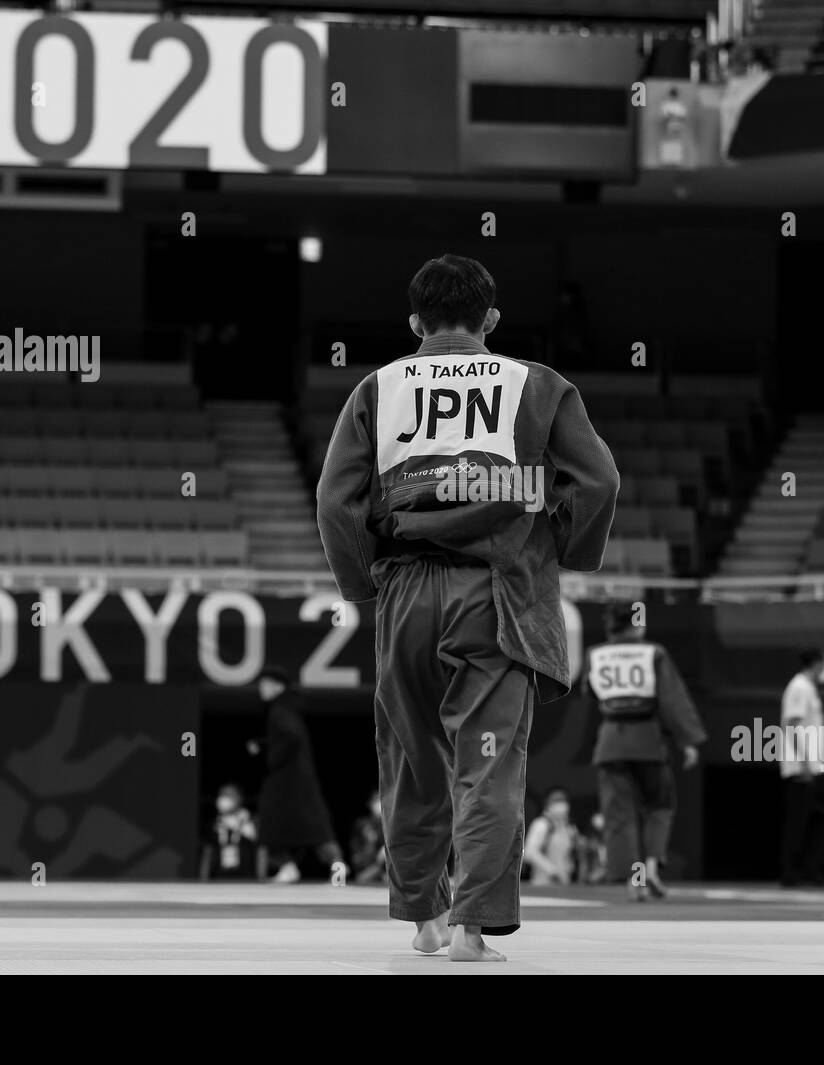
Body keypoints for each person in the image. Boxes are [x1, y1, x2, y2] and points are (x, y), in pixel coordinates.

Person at [316, 253, 619, 962]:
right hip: (497, 591)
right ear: (491, 319)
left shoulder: (378, 386)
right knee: (486, 763)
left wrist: (362, 584)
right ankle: (470, 929)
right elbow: (599, 480)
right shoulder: (536, 383)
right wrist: (567, 548)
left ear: (415, 321)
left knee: (412, 758)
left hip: (405, 590)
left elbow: (335, 502)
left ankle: (422, 917)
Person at [585, 601, 705, 900]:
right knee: (659, 805)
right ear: (636, 623)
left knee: (620, 815)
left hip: (611, 740)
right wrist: (687, 740)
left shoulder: (595, 654)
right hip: (648, 740)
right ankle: (650, 867)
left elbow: (590, 692)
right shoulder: (653, 652)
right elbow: (672, 699)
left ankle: (635, 879)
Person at [247, 669, 345, 883]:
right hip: (295, 783)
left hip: (290, 783)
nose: (261, 689)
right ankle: (327, 873)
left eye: (265, 684)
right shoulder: (286, 709)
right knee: (314, 833)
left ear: (278, 687)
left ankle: (335, 872)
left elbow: (291, 736)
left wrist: (272, 757)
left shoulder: (279, 711)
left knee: (277, 828)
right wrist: (265, 745)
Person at [779, 648, 824, 887]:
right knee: (798, 820)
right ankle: (791, 872)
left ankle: (809, 868)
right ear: (816, 663)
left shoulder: (808, 688)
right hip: (801, 765)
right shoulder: (799, 687)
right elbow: (791, 723)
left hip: (814, 764)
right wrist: (802, 762)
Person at [199, 784, 259, 881]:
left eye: (229, 794)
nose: (224, 798)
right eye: (222, 794)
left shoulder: (249, 821)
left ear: (240, 798)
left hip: (246, 879)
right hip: (219, 878)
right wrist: (203, 880)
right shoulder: (216, 823)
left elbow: (261, 852)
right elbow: (207, 854)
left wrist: (260, 879)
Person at [523, 788, 579, 886]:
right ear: (548, 804)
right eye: (557, 801)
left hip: (565, 882)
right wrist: (551, 870)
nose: (562, 805)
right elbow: (529, 852)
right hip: (542, 883)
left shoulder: (568, 828)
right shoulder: (541, 824)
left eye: (563, 801)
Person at [350, 790, 387, 885]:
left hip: (388, 872)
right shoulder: (362, 824)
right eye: (376, 801)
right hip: (369, 870)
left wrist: (387, 850)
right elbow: (356, 855)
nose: (379, 804)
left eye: (381, 800)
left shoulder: (391, 825)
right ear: (370, 804)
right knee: (361, 879)